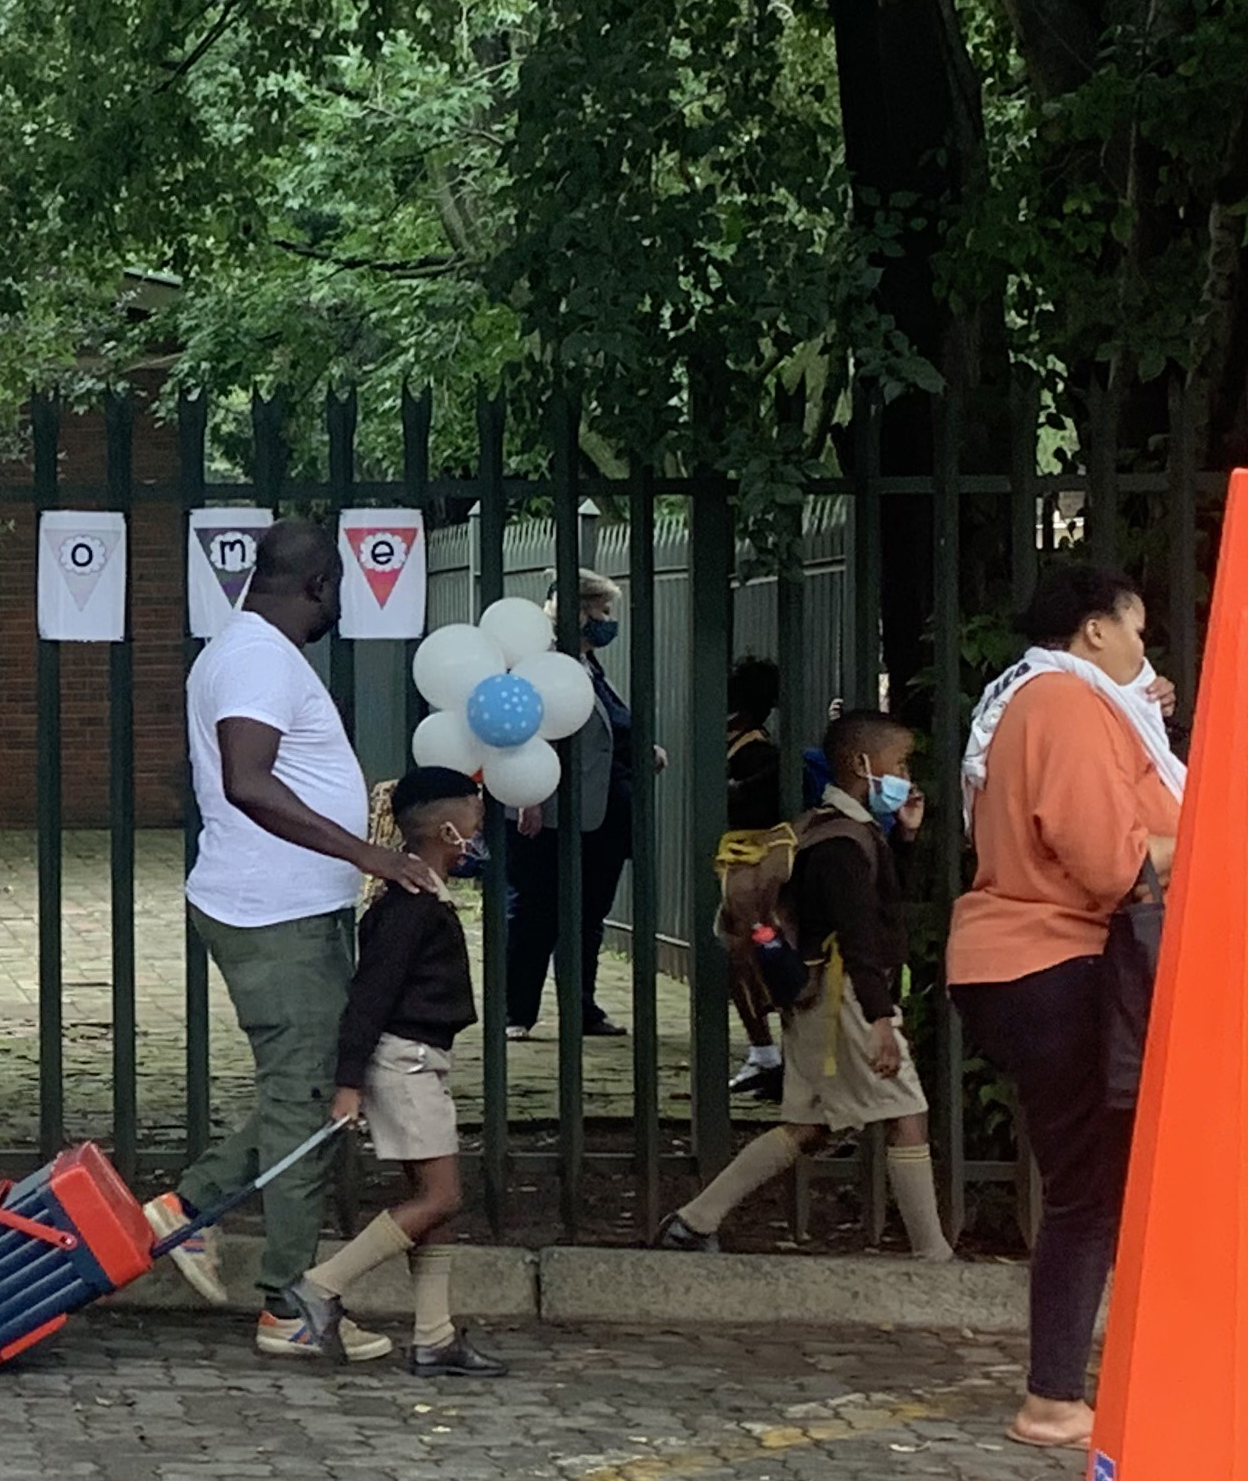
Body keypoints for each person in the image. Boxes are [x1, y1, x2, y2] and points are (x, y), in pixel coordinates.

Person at [142, 521, 445, 1358]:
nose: (338, 604)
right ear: (314, 585)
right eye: (337, 588)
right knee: (309, 1101)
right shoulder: (256, 657)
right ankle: (286, 1306)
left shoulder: (253, 652)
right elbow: (247, 779)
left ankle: (183, 1210)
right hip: (273, 918)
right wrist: (368, 853)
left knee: (299, 1095)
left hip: (284, 911)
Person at [949, 561, 1182, 1450]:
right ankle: (1053, 1396)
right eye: (1135, 627)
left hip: (1024, 963)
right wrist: (1207, 832)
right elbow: (1110, 860)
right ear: (1093, 628)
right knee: (1090, 1189)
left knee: (1089, 1184)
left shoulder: (1041, 702)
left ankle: (1071, 1384)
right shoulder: (1066, 706)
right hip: (1060, 961)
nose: (1142, 647)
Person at [658, 710, 954, 1260]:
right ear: (864, 765)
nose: (905, 774)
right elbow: (862, 937)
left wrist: (906, 840)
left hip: (823, 1000)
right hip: (846, 1001)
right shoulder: (843, 844)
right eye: (899, 763)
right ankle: (934, 1256)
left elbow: (878, 912)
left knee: (809, 1127)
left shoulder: (833, 830)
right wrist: (882, 1019)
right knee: (906, 1112)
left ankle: (695, 1221)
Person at [282, 766, 505, 1378]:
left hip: (419, 1059)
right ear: (445, 830)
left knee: (431, 1204)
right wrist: (349, 1083)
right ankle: (323, 1285)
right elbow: (370, 997)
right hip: (405, 1062)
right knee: (442, 1196)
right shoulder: (409, 907)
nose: (480, 831)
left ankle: (434, 1336)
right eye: (474, 822)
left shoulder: (422, 895)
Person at [507, 569, 638, 1037]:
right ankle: (517, 1011)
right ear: (579, 613)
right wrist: (529, 795)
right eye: (602, 612)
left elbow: (604, 730)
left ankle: (581, 1006)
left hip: (600, 812)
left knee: (587, 915)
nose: (607, 623)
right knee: (538, 911)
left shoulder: (589, 666)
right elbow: (525, 729)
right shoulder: (543, 664)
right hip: (552, 812)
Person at [712, 658, 791, 1098]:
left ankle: (768, 1053)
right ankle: (766, 1053)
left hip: (755, 875)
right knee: (742, 956)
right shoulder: (742, 746)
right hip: (743, 871)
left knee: (750, 956)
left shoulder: (757, 753)